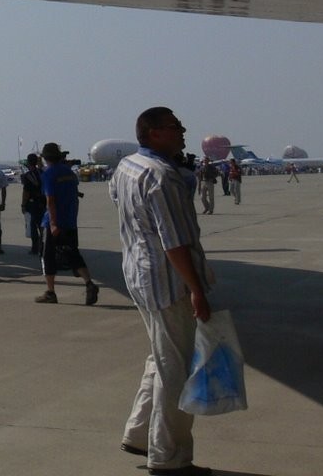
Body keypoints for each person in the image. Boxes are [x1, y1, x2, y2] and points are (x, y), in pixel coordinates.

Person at [112, 107, 214, 475]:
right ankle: (167, 457)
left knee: (161, 355)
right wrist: (196, 288)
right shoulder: (163, 177)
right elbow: (174, 242)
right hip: (168, 282)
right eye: (175, 127)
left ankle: (139, 433)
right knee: (177, 369)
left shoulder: (127, 167)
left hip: (139, 275)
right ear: (154, 132)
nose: (182, 131)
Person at [36, 142, 99, 305]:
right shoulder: (69, 173)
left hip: (54, 221)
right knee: (72, 253)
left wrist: (53, 223)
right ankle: (89, 283)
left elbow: (50, 200)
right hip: (70, 220)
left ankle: (50, 292)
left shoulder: (49, 174)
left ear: (46, 158)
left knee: (47, 256)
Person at [20, 153, 45, 255]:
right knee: (41, 225)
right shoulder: (42, 173)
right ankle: (43, 244)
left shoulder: (28, 176)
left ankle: (35, 247)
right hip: (43, 201)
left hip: (33, 203)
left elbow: (26, 192)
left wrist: (23, 204)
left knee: (33, 225)